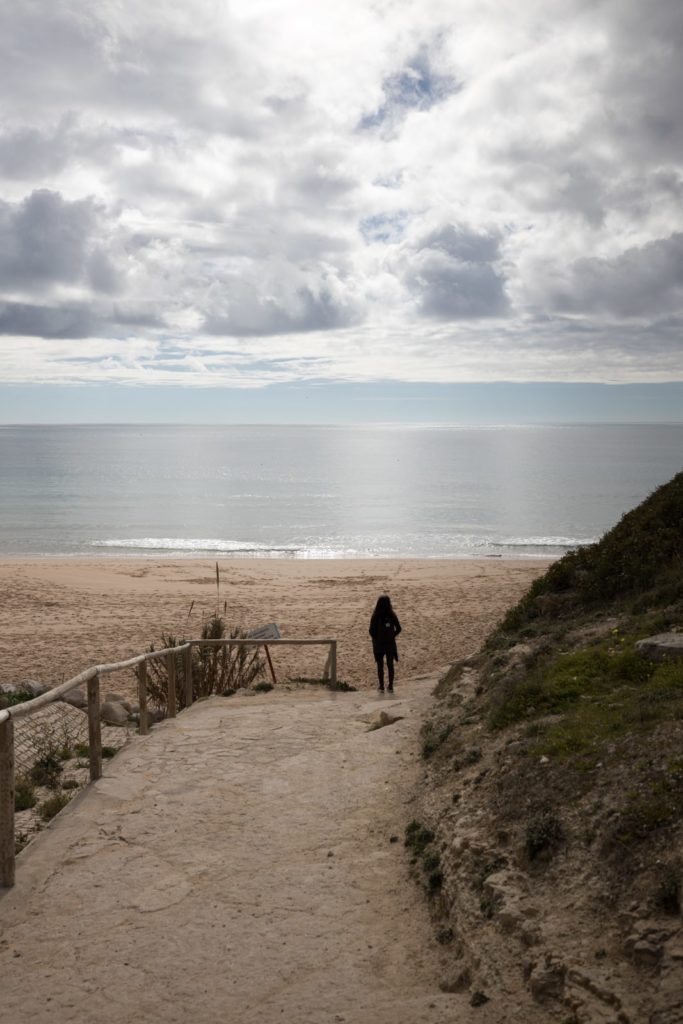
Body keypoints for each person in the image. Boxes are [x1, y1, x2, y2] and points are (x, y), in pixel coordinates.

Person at [369, 594, 401, 692]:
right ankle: (390, 686)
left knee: (380, 665)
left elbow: (371, 630)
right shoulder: (391, 614)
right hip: (390, 643)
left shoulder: (375, 615)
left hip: (379, 644)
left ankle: (381, 686)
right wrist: (392, 636)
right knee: (390, 665)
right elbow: (399, 628)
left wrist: (376, 639)